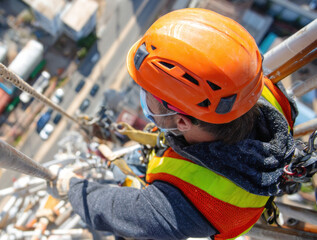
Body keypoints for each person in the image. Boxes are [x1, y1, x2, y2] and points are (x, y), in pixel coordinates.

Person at [48, 8, 297, 239]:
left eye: (147, 93)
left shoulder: (193, 206)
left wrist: (70, 186)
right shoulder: (251, 89)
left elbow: (114, 210)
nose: (142, 97)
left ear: (182, 121)